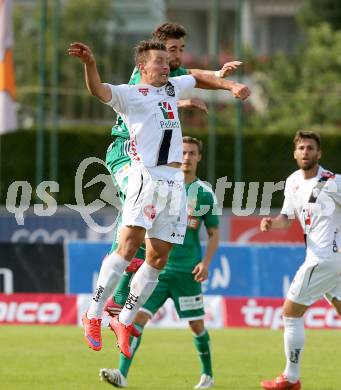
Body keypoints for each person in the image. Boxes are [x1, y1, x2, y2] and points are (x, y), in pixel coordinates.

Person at [68, 39, 250, 358]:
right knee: (127, 246)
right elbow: (98, 91)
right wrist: (90, 64)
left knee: (157, 259)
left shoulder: (171, 88)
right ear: (142, 68)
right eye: (159, 62)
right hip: (146, 176)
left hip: (173, 182)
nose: (166, 66)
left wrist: (229, 85)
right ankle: (93, 313)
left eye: (168, 62)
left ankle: (123, 320)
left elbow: (196, 78)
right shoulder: (130, 93)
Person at [103, 21, 246, 328]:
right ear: (155, 53)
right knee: (136, 196)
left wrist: (222, 78)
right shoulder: (144, 73)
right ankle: (125, 251)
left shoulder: (171, 73)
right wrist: (182, 100)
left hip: (151, 161)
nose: (177, 56)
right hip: (124, 149)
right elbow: (145, 98)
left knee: (154, 211)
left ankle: (130, 270)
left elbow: (195, 77)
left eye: (181, 49)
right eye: (171, 51)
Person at [100, 136, 219, 389]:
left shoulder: (204, 193)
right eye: (183, 152)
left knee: (196, 325)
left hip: (185, 272)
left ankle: (207, 376)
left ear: (199, 157)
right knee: (136, 320)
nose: (186, 157)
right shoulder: (160, 187)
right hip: (156, 271)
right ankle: (121, 374)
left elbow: (213, 233)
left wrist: (206, 263)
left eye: (192, 153)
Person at [259, 130, 341, 390]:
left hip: (325, 258)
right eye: (302, 148)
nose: (306, 152)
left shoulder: (333, 182)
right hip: (327, 260)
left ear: (320, 153)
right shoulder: (293, 181)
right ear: (295, 153)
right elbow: (286, 219)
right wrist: (272, 223)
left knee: (290, 312)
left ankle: (291, 378)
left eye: (311, 148)